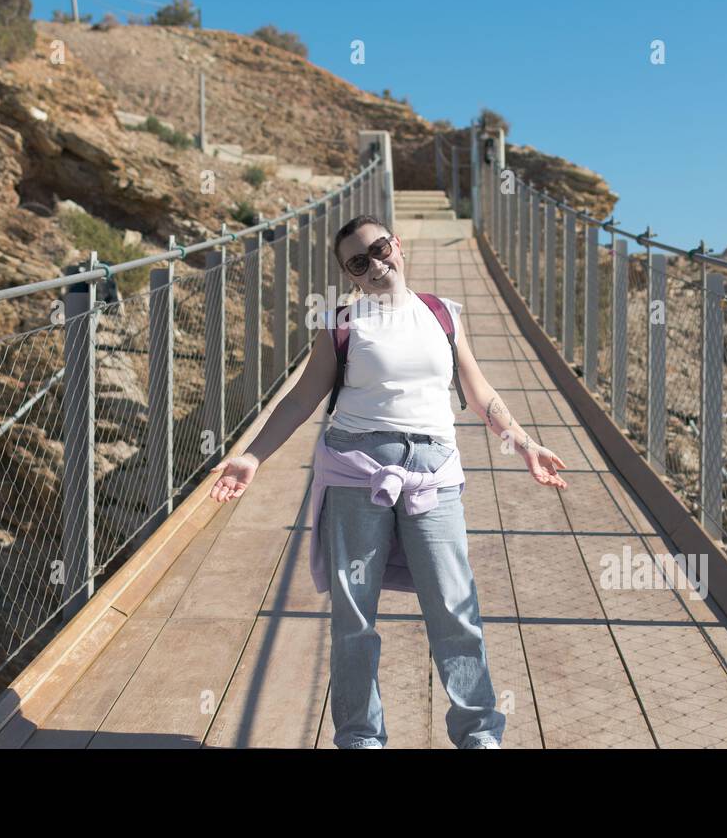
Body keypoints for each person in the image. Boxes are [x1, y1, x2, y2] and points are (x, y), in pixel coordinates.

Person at [208, 214, 568, 749]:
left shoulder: (443, 314)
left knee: (454, 606)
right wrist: (252, 456)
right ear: (350, 274)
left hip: (433, 473)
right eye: (359, 262)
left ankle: (478, 735)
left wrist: (524, 444)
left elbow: (479, 390)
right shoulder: (340, 322)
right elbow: (304, 398)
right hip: (357, 471)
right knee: (354, 616)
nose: (376, 265)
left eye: (380, 249)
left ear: (397, 246)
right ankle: (360, 739)